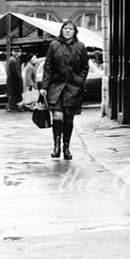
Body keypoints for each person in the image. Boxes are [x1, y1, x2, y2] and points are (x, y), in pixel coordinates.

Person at [41, 20, 89, 160]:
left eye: (70, 29)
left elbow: (85, 67)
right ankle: (56, 147)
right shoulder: (54, 45)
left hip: (73, 88)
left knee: (68, 118)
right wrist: (44, 86)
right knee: (57, 116)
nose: (67, 31)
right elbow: (48, 66)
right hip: (56, 87)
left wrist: (79, 81)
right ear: (61, 30)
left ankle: (66, 148)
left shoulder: (80, 47)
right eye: (65, 28)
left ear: (74, 32)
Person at [6, 48, 23, 112]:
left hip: (12, 81)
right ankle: (13, 107)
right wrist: (19, 79)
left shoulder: (13, 59)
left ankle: (13, 107)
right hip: (14, 81)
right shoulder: (14, 60)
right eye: (19, 52)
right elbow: (16, 71)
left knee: (14, 94)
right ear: (15, 53)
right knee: (14, 94)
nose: (20, 53)